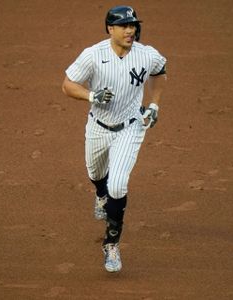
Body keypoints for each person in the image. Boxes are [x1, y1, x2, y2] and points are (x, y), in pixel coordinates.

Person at [61, 5, 167, 272]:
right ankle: (100, 194)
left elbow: (159, 71)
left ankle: (111, 244)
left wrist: (154, 104)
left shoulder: (146, 55)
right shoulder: (93, 55)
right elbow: (67, 85)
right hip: (98, 126)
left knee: (117, 186)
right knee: (96, 173)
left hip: (131, 127)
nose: (131, 30)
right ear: (111, 28)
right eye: (124, 26)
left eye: (133, 25)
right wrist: (91, 96)